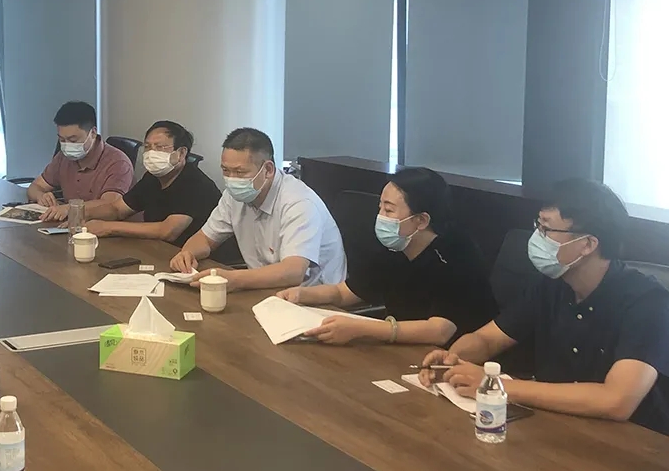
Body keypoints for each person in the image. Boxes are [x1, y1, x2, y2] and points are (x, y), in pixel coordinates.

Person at [420, 179, 669, 435]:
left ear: (587, 244)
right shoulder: (552, 284)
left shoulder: (647, 302)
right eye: (537, 226)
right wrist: (453, 359)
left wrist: (497, 386)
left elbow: (616, 401)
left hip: (631, 441)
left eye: (547, 229)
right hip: (556, 425)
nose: (537, 237)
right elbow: (488, 339)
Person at [277, 167, 497, 346]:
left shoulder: (456, 254)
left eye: (389, 211)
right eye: (380, 207)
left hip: (454, 359)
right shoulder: (395, 245)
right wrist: (301, 294)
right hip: (403, 348)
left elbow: (439, 331)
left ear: (421, 220)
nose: (380, 217)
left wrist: (361, 328)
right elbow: (344, 293)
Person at [169, 127, 346, 292]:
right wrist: (188, 253)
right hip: (265, 289)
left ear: (268, 169)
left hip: (314, 299)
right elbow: (205, 239)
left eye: (240, 172)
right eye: (226, 170)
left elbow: (293, 272)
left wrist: (234, 279)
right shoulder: (234, 196)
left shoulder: (299, 203)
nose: (231, 179)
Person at [44, 120, 219, 246]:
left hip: (202, 262)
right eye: (148, 147)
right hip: (159, 251)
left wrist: (108, 228)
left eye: (159, 147)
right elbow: (117, 209)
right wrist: (81, 215)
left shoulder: (194, 183)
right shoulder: (153, 178)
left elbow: (168, 231)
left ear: (181, 153)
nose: (151, 153)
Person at [29, 101, 134, 217]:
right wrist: (41, 196)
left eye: (73, 140)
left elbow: (110, 205)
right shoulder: (63, 157)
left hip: (106, 225)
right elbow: (35, 186)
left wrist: (69, 208)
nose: (67, 145)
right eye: (62, 140)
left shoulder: (118, 163)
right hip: (72, 223)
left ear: (93, 133)